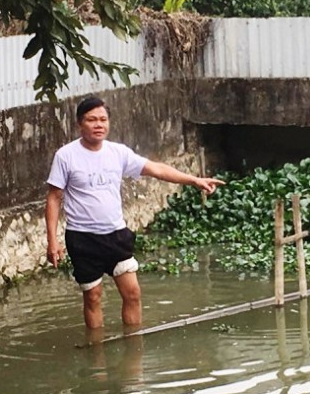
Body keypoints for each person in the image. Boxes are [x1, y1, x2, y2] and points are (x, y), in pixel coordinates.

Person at [45, 96, 225, 329]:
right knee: (93, 297)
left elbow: (156, 169)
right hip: (82, 237)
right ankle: (97, 356)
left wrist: (194, 180)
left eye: (103, 119)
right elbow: (54, 197)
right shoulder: (66, 156)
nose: (99, 125)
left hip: (116, 234)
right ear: (80, 124)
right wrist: (52, 241)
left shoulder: (117, 153)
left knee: (132, 294)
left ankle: (133, 351)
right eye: (92, 120)